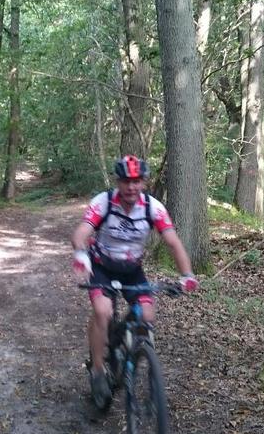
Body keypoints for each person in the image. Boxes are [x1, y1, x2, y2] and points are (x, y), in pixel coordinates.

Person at [71, 155, 198, 408]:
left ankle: (133, 354)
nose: (131, 187)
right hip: (102, 267)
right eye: (126, 181)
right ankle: (98, 370)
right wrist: (82, 255)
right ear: (118, 182)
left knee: (147, 316)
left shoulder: (153, 208)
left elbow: (173, 242)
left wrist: (187, 275)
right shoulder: (104, 202)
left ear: (144, 182)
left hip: (132, 270)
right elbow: (81, 234)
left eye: (137, 181)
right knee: (103, 311)